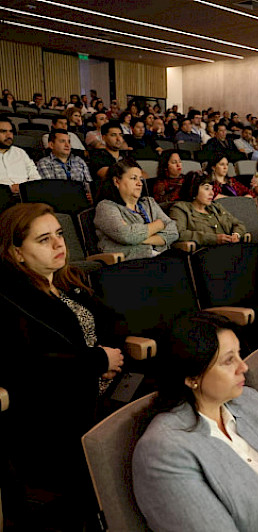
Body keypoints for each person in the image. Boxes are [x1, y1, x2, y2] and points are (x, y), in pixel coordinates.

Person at [133, 311, 258, 532]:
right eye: (229, 361)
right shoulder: (163, 449)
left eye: (239, 354)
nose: (244, 367)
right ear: (192, 377)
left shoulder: (248, 402)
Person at [0, 203, 124, 528]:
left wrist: (112, 356)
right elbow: (26, 367)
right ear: (16, 253)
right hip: (56, 415)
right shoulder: (12, 300)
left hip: (101, 391)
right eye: (43, 240)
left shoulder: (67, 284)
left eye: (59, 234)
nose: (59, 244)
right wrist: (98, 361)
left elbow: (116, 323)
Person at [95, 160, 178, 260]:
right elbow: (126, 235)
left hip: (161, 258)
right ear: (117, 181)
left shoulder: (149, 202)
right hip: (130, 264)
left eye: (141, 179)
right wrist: (158, 225)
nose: (140, 183)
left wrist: (138, 238)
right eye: (134, 178)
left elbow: (173, 232)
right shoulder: (106, 207)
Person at [169, 171, 246, 247]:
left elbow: (238, 224)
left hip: (231, 248)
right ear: (193, 189)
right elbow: (179, 233)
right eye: (206, 189)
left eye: (212, 189)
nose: (212, 193)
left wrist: (236, 235)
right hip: (205, 253)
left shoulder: (216, 207)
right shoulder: (180, 209)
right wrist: (214, 239)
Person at [36, 129, 93, 198]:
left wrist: (90, 195)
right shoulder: (44, 163)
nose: (67, 145)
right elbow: (51, 189)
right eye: (62, 141)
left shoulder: (79, 161)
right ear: (51, 145)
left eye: (68, 142)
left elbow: (89, 185)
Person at [0, 115, 41, 193]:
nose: (9, 135)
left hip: (26, 194)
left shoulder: (20, 152)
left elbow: (34, 174)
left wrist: (24, 187)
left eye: (11, 131)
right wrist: (9, 188)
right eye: (3, 131)